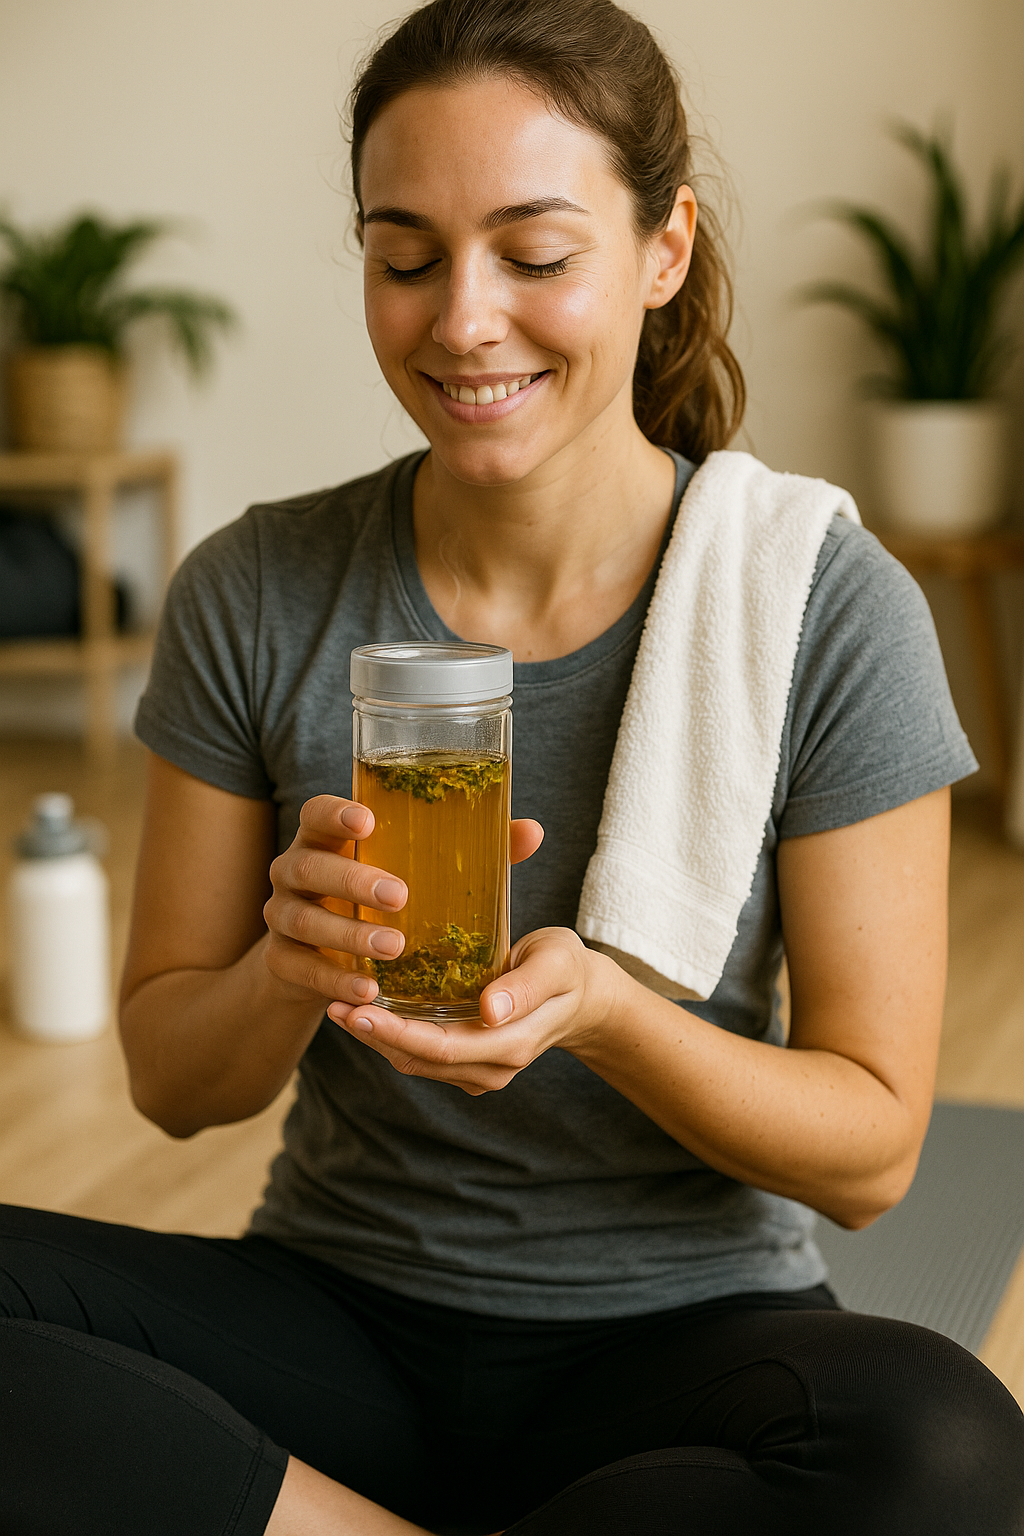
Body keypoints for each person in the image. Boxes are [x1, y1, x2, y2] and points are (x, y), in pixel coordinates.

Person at [2, 0, 1023, 1532]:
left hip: (681, 1337)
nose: (464, 321)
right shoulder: (257, 588)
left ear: (665, 249)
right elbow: (171, 1084)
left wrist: (606, 1014)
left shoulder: (816, 601)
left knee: (945, 1456)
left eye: (536, 256)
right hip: (338, 1316)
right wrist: (286, 966)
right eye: (405, 257)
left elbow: (870, 1156)